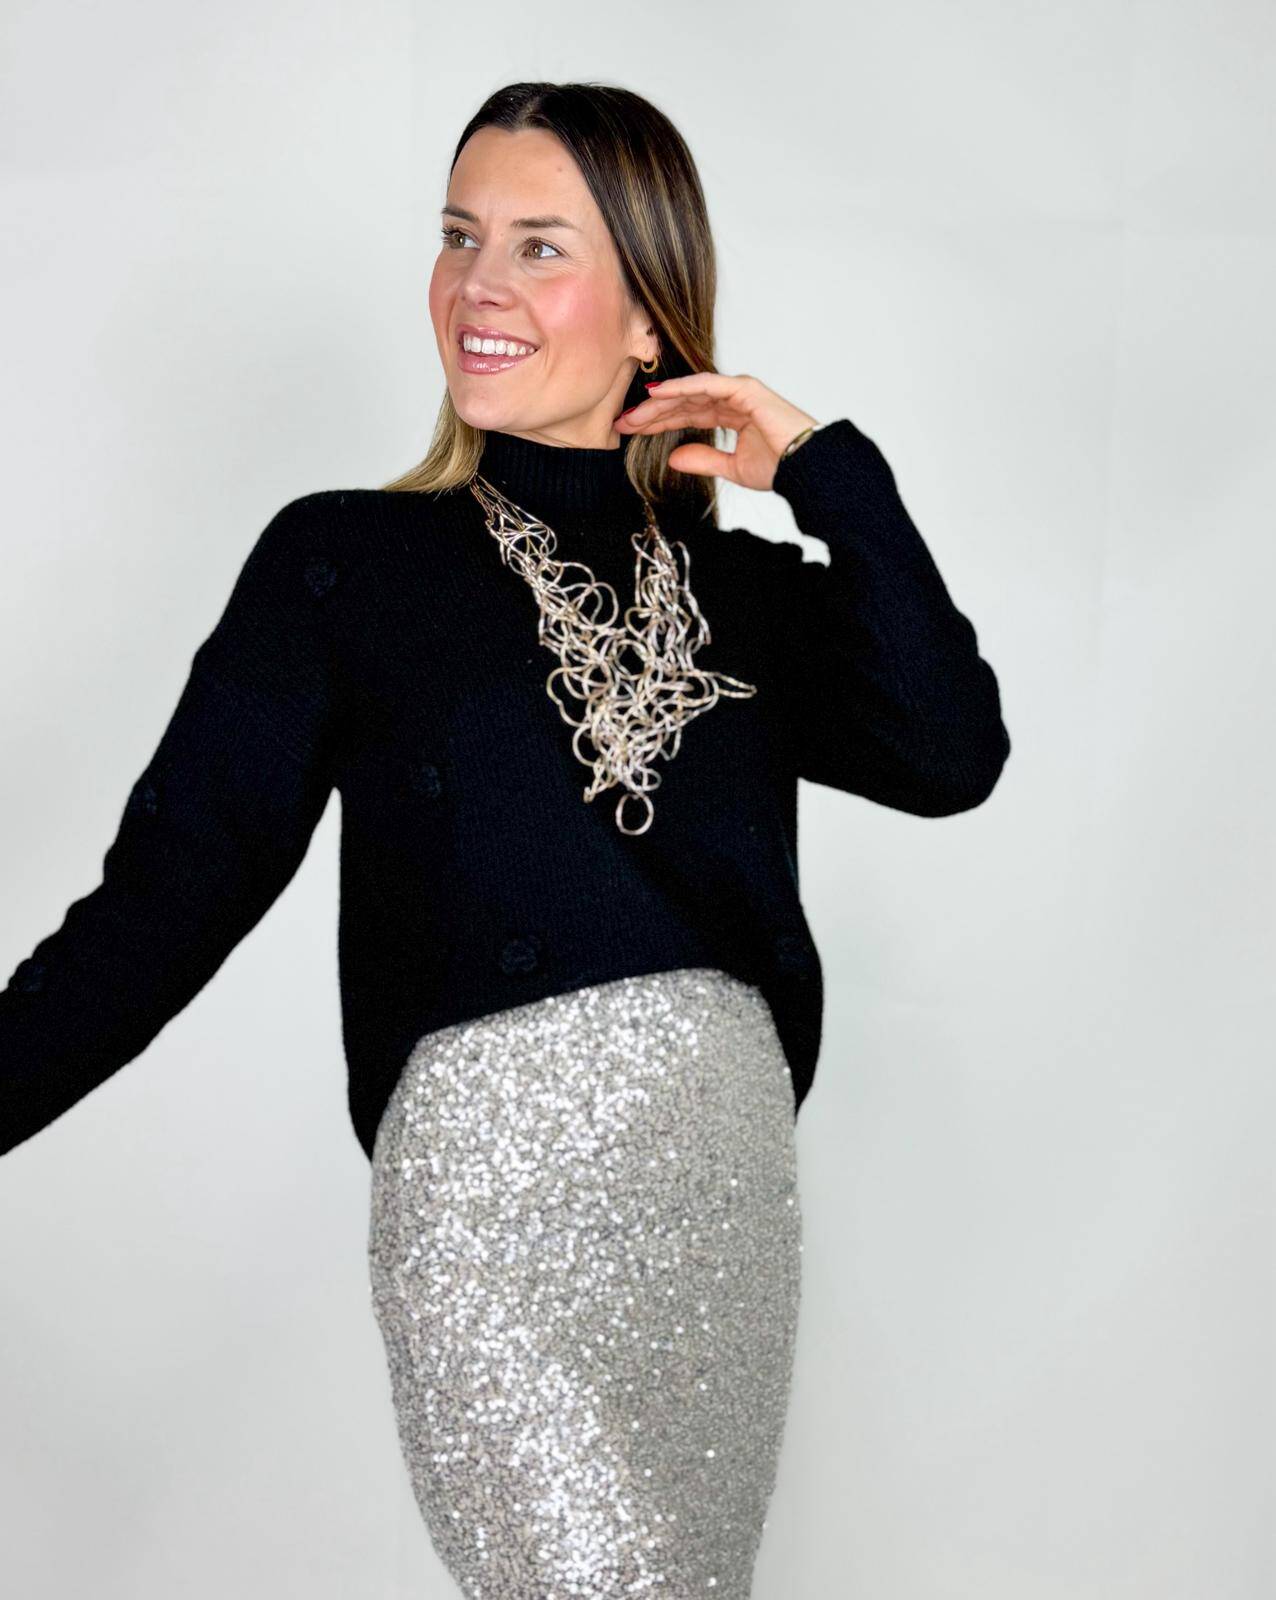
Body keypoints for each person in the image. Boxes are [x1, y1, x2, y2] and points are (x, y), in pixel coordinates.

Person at [1, 81, 1011, 1597]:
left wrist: (825, 471)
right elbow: (166, 900)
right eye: (459, 235)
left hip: (722, 1216)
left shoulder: (747, 601)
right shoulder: (348, 562)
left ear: (650, 313)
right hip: (489, 1200)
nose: (477, 283)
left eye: (540, 246)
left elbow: (952, 755)